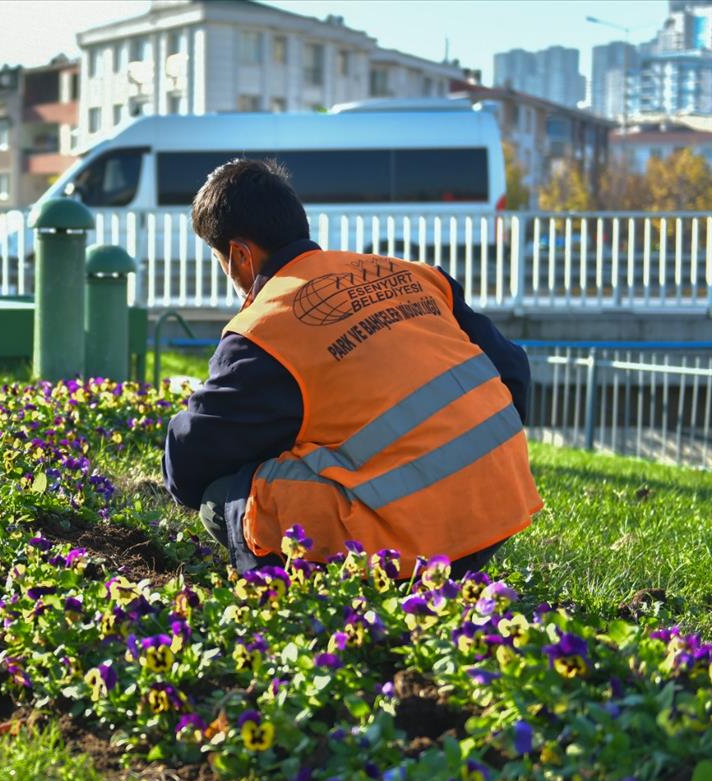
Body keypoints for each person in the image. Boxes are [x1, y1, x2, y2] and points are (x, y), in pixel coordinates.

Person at [163, 159, 541, 579]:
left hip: (410, 548)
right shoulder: (412, 274)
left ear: (239, 256)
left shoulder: (264, 330)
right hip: (499, 507)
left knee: (223, 498)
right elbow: (513, 373)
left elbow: (189, 464)